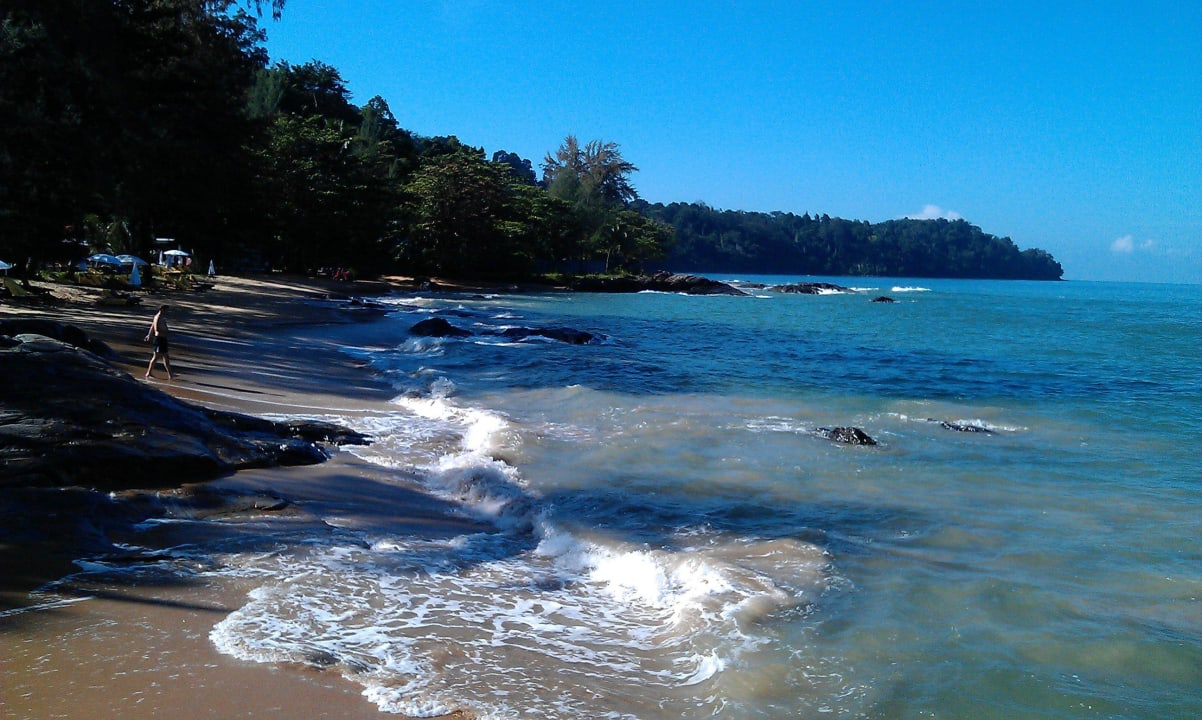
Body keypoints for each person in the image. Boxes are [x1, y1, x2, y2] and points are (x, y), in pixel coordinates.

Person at [144, 305, 176, 380]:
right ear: (162, 309)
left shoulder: (159, 317)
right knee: (158, 357)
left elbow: (152, 326)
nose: (167, 311)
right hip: (160, 339)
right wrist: (166, 334)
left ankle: (170, 375)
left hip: (161, 339)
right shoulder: (158, 317)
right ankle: (149, 373)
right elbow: (156, 330)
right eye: (166, 310)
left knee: (164, 357)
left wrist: (149, 335)